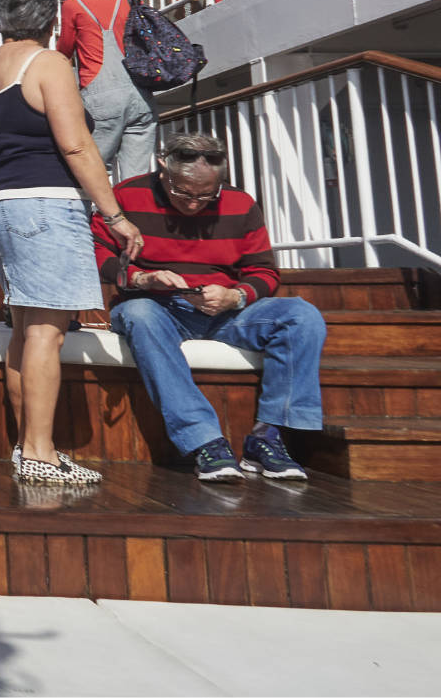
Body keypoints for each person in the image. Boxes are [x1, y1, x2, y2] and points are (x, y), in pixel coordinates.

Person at [0, 0, 143, 485]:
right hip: (43, 203)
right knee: (45, 333)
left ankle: (29, 446)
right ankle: (40, 454)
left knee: (24, 331)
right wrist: (115, 214)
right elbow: (77, 146)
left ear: (1, 18)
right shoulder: (49, 65)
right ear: (50, 18)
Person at [94, 133, 324, 483]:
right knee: (140, 315)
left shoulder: (240, 203)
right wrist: (142, 279)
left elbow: (263, 270)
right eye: (183, 192)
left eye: (207, 195)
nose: (194, 203)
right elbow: (95, 252)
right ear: (162, 169)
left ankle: (269, 438)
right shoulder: (126, 195)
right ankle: (205, 441)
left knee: (301, 316)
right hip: (155, 306)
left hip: (225, 309)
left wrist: (237, 297)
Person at [57, 0, 156, 184]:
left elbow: (64, 52)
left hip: (101, 96)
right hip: (140, 94)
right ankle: (135, 218)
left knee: (93, 173)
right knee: (137, 180)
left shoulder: (73, 6)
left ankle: (97, 220)